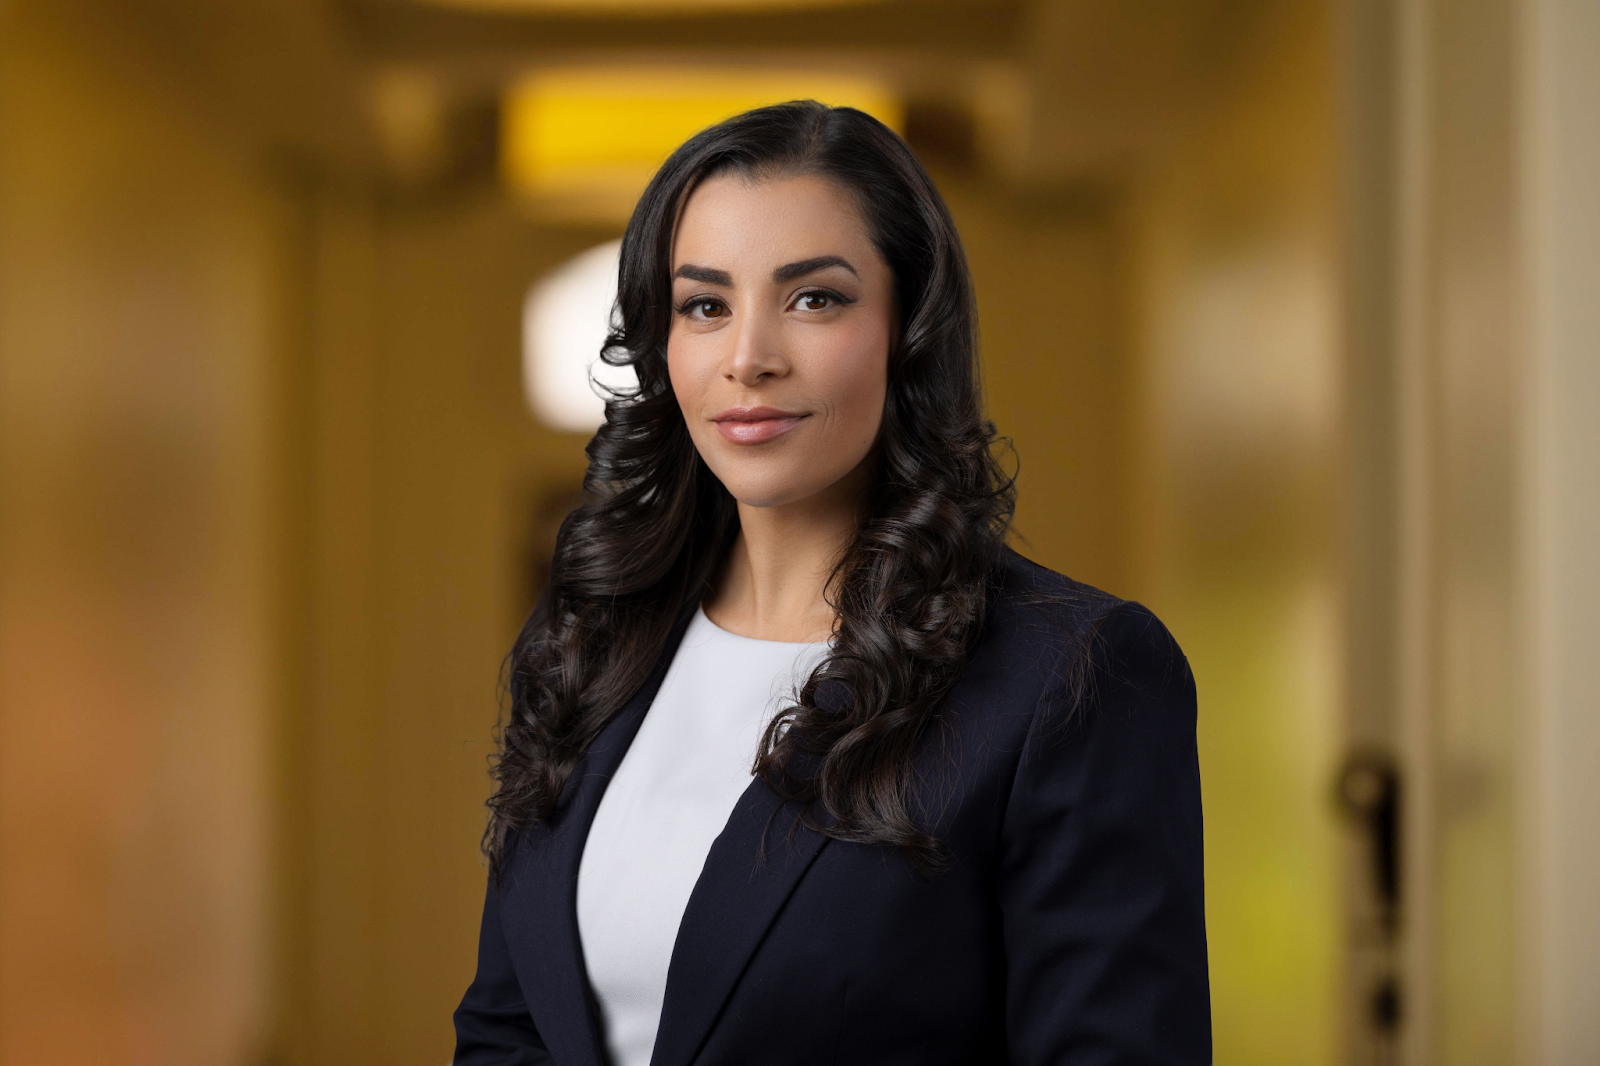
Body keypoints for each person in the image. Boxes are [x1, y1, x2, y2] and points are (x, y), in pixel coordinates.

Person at [454, 101, 1209, 1066]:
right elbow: (508, 1028)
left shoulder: (1070, 677)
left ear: (908, 331)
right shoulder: (584, 647)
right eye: (704, 304)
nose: (748, 358)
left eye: (815, 299)